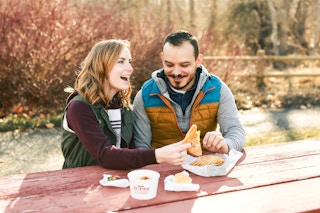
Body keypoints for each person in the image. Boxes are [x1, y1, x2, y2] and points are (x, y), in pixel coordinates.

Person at [61, 39, 191, 170]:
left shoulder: (124, 106)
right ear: (101, 66)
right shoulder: (79, 108)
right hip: (79, 184)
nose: (130, 68)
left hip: (117, 181)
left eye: (130, 62)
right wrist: (157, 155)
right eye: (121, 62)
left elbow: (132, 151)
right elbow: (105, 155)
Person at [133, 30, 246, 154]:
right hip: (162, 167)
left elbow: (235, 130)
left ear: (198, 61)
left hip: (205, 165)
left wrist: (226, 145)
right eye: (169, 65)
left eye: (184, 65)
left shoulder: (218, 89)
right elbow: (141, 148)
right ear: (162, 59)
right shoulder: (144, 95)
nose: (176, 72)